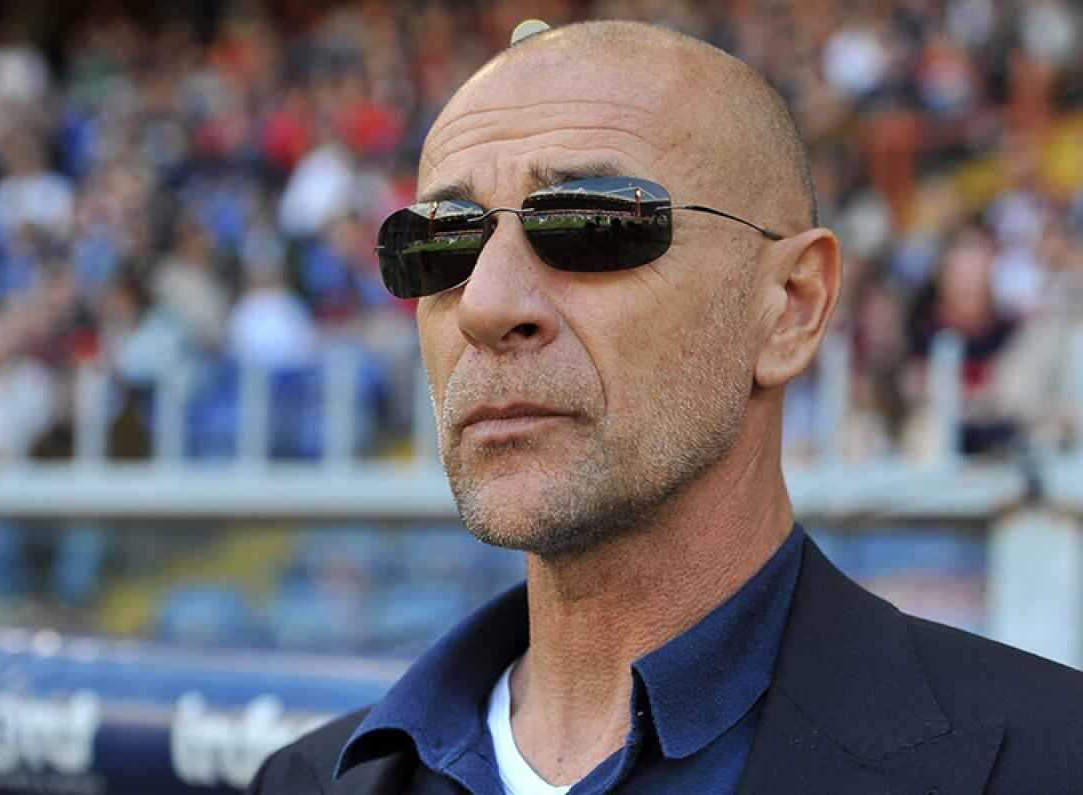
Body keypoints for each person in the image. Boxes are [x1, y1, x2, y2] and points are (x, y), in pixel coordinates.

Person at [249, 20, 1083, 794]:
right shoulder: (307, 779)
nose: (484, 303)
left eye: (591, 221)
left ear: (791, 305)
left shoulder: (1052, 756)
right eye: (438, 243)